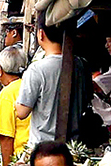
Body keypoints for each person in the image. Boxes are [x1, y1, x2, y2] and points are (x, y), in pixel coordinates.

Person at [13, 18, 77, 146]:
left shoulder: (37, 69)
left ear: (41, 34)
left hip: (43, 147)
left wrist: (16, 100)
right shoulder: (81, 65)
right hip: (74, 144)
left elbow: (21, 112)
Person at [0, 46, 30, 166]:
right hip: (34, 153)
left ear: (0, 70)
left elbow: (6, 137)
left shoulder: (7, 94)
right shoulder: (28, 86)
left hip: (19, 158)